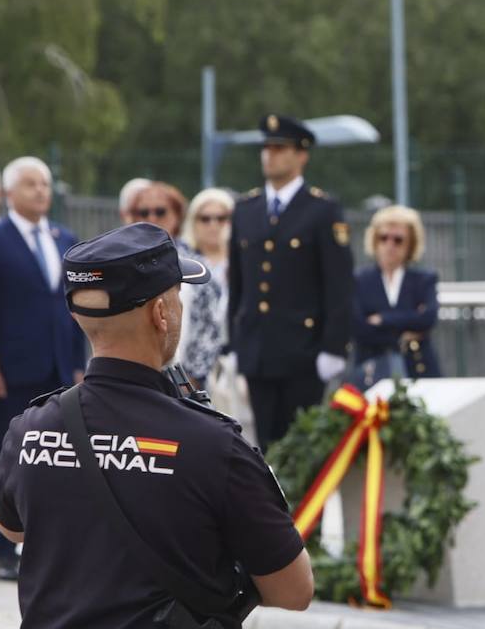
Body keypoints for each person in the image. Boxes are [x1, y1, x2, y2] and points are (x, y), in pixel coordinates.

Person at [0, 222, 314, 629]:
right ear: (162, 313)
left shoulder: (35, 425)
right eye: (179, 299)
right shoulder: (210, 443)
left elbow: (7, 520)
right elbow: (293, 588)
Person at [0, 156, 83, 581]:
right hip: (10, 370)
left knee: (54, 455)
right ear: (10, 193)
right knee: (4, 454)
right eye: (31, 184)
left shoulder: (63, 236)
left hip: (56, 367)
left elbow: (72, 306)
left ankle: (47, 541)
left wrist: (77, 363)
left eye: (46, 184)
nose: (41, 191)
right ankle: (2, 547)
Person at [228, 114, 353, 449]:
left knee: (304, 453)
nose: (269, 154)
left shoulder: (322, 209)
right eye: (266, 147)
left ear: (302, 154)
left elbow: (338, 285)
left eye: (279, 148)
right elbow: (239, 284)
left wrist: (333, 347)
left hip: (304, 352)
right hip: (258, 352)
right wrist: (237, 342)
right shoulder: (246, 208)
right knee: (266, 451)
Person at [351, 205, 441, 386]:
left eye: (398, 240)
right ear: (374, 240)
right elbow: (358, 328)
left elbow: (428, 318)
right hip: (371, 370)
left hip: (417, 368)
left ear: (410, 244)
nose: (389, 245)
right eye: (383, 238)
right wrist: (406, 329)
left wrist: (383, 319)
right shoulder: (359, 280)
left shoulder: (423, 279)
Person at [176, 188, 235, 390]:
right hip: (193, 369)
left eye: (221, 218)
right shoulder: (181, 261)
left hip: (237, 365)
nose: (214, 225)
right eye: (205, 218)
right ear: (193, 221)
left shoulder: (246, 261)